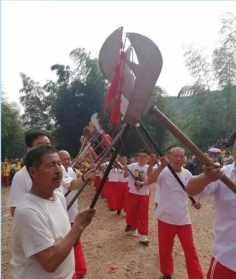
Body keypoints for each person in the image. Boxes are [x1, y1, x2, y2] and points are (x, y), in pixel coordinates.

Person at [11, 145, 95, 279]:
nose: (58, 170)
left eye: (59, 164)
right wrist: (78, 226)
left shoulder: (58, 196)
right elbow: (50, 262)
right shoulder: (28, 211)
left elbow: (62, 238)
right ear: (33, 172)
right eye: (50, 165)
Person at [150, 147, 203, 279]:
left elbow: (193, 190)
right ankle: (167, 274)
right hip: (165, 218)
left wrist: (195, 201)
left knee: (190, 250)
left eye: (181, 156)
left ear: (184, 158)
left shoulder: (188, 174)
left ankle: (196, 276)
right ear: (169, 156)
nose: (179, 159)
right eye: (176, 156)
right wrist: (160, 166)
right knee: (165, 249)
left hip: (183, 219)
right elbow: (150, 179)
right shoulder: (163, 172)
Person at [186, 140, 236, 279]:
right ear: (234, 150)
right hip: (228, 261)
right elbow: (190, 189)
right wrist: (206, 177)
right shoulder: (223, 174)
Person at [59, 150, 92, 279]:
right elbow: (72, 185)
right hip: (63, 212)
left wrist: (85, 178)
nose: (66, 161)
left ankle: (79, 270)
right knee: (68, 242)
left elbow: (78, 183)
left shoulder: (71, 171)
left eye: (68, 158)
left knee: (75, 240)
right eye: (63, 159)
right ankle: (77, 270)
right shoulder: (59, 170)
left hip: (73, 211)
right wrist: (84, 178)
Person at [8, 129, 51, 216]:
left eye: (48, 145)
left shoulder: (57, 171)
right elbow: (15, 210)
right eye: (40, 145)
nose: (45, 149)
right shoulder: (21, 176)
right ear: (29, 149)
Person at [124, 152, 153, 245]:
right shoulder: (132, 166)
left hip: (144, 194)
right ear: (137, 157)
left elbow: (152, 179)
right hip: (132, 192)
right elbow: (125, 175)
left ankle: (143, 235)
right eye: (140, 156)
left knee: (143, 214)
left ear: (147, 158)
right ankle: (132, 227)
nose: (142, 158)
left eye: (144, 157)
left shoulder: (150, 168)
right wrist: (125, 170)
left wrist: (143, 183)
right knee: (131, 211)